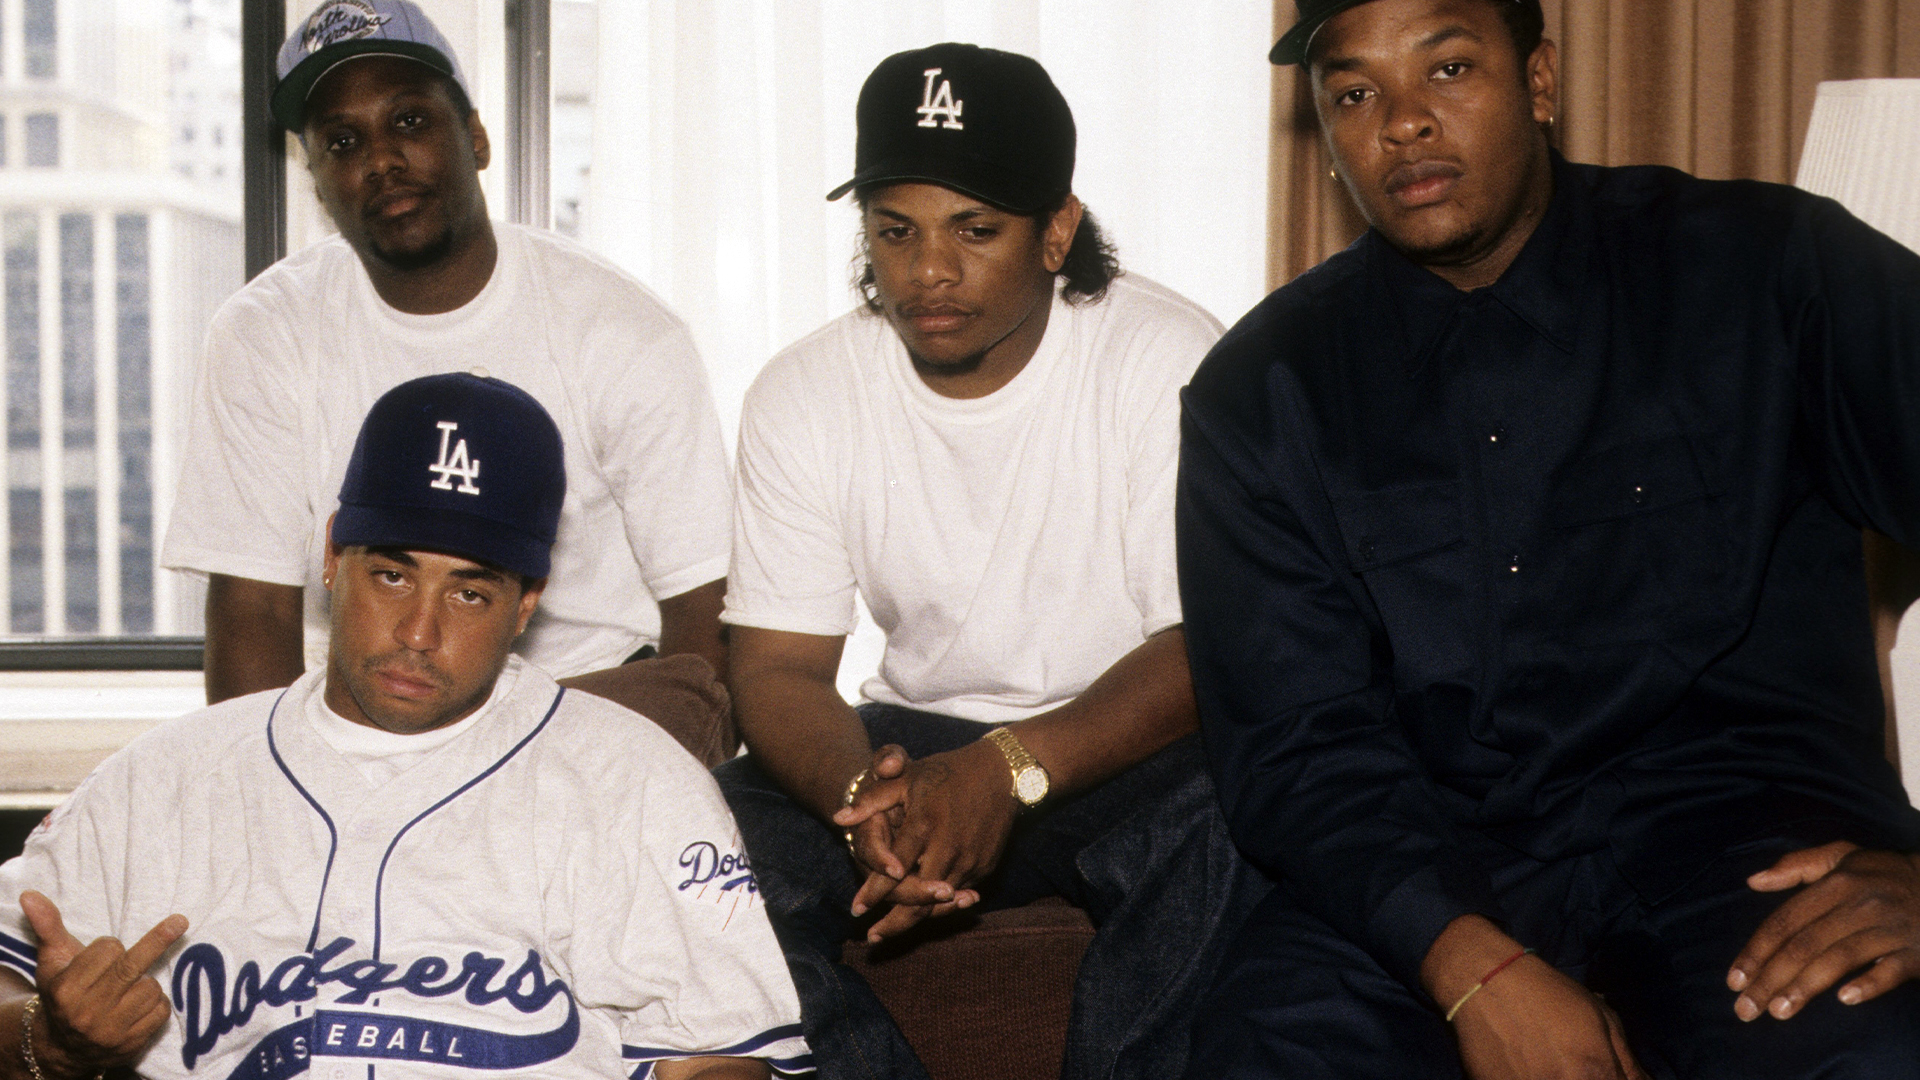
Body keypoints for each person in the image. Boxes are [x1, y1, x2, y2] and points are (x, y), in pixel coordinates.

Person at [1176, 0, 1920, 1077]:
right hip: (1434, 871)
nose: (1402, 122)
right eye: (1355, 92)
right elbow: (1294, 749)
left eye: (1447, 68)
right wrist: (1468, 967)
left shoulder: (1770, 267)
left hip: (1751, 851)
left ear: (1539, 82)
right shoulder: (1259, 393)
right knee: (1259, 1053)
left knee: (1877, 1051)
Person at [713, 42, 1268, 1080]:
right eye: (896, 229)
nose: (928, 270)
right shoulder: (804, 391)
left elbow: (1208, 651)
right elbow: (777, 667)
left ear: (1057, 230)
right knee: (700, 846)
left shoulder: (1168, 359)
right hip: (908, 744)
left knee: (1236, 817)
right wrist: (861, 800)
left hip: (1125, 743)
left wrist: (1005, 771)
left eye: (975, 229)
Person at [0, 373, 810, 1080]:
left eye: (469, 592)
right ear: (331, 556)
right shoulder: (160, 781)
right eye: (392, 575)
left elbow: (722, 1057)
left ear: (526, 603)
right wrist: (51, 1042)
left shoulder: (634, 780)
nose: (419, 633)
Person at [162, 0, 732, 710]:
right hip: (357, 714)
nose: (381, 160)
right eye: (342, 142)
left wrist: (623, 762)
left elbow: (706, 612)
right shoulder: (264, 331)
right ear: (318, 183)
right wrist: (292, 773)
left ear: (476, 138)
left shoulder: (621, 329)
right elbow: (255, 610)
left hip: (584, 706)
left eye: (409, 121)